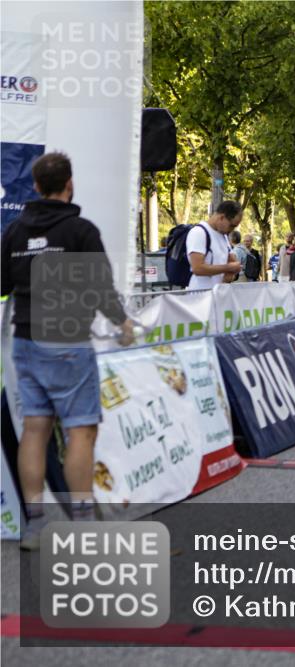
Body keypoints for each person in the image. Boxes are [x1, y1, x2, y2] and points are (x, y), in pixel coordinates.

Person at [0, 152, 137, 548]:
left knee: (35, 430)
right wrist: (122, 323)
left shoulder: (14, 232)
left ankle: (36, 527)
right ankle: (82, 526)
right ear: (69, 184)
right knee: (80, 431)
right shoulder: (79, 230)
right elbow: (100, 287)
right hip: (67, 342)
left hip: (24, 341)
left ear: (37, 186)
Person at [187, 201, 244, 290]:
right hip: (200, 296)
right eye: (231, 226)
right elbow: (197, 268)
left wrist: (232, 272)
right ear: (222, 217)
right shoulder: (199, 232)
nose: (232, 230)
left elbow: (231, 260)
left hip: (218, 295)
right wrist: (227, 268)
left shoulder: (224, 236)